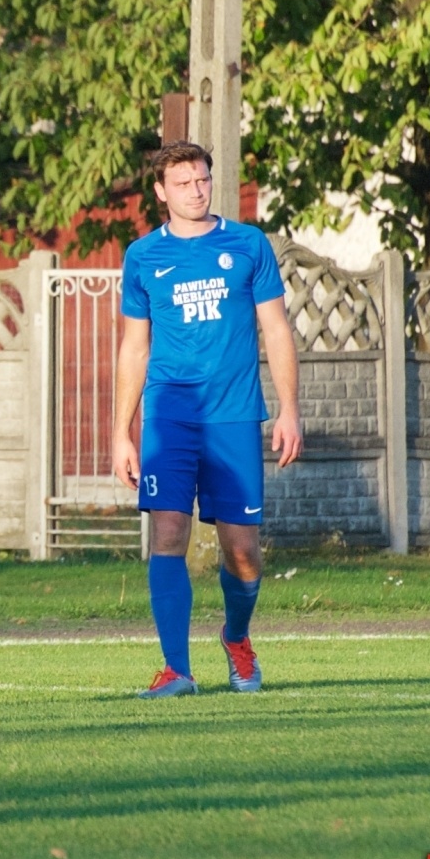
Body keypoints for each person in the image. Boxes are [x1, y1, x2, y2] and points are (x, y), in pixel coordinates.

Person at [111, 141, 303, 699]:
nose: (196, 190)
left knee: (242, 550)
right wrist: (120, 430)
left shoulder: (246, 245)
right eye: (184, 182)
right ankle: (177, 669)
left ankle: (237, 638)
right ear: (160, 192)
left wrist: (289, 409)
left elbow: (276, 330)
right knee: (168, 532)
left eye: (202, 180)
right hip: (169, 417)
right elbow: (134, 347)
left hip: (234, 416)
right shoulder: (143, 256)